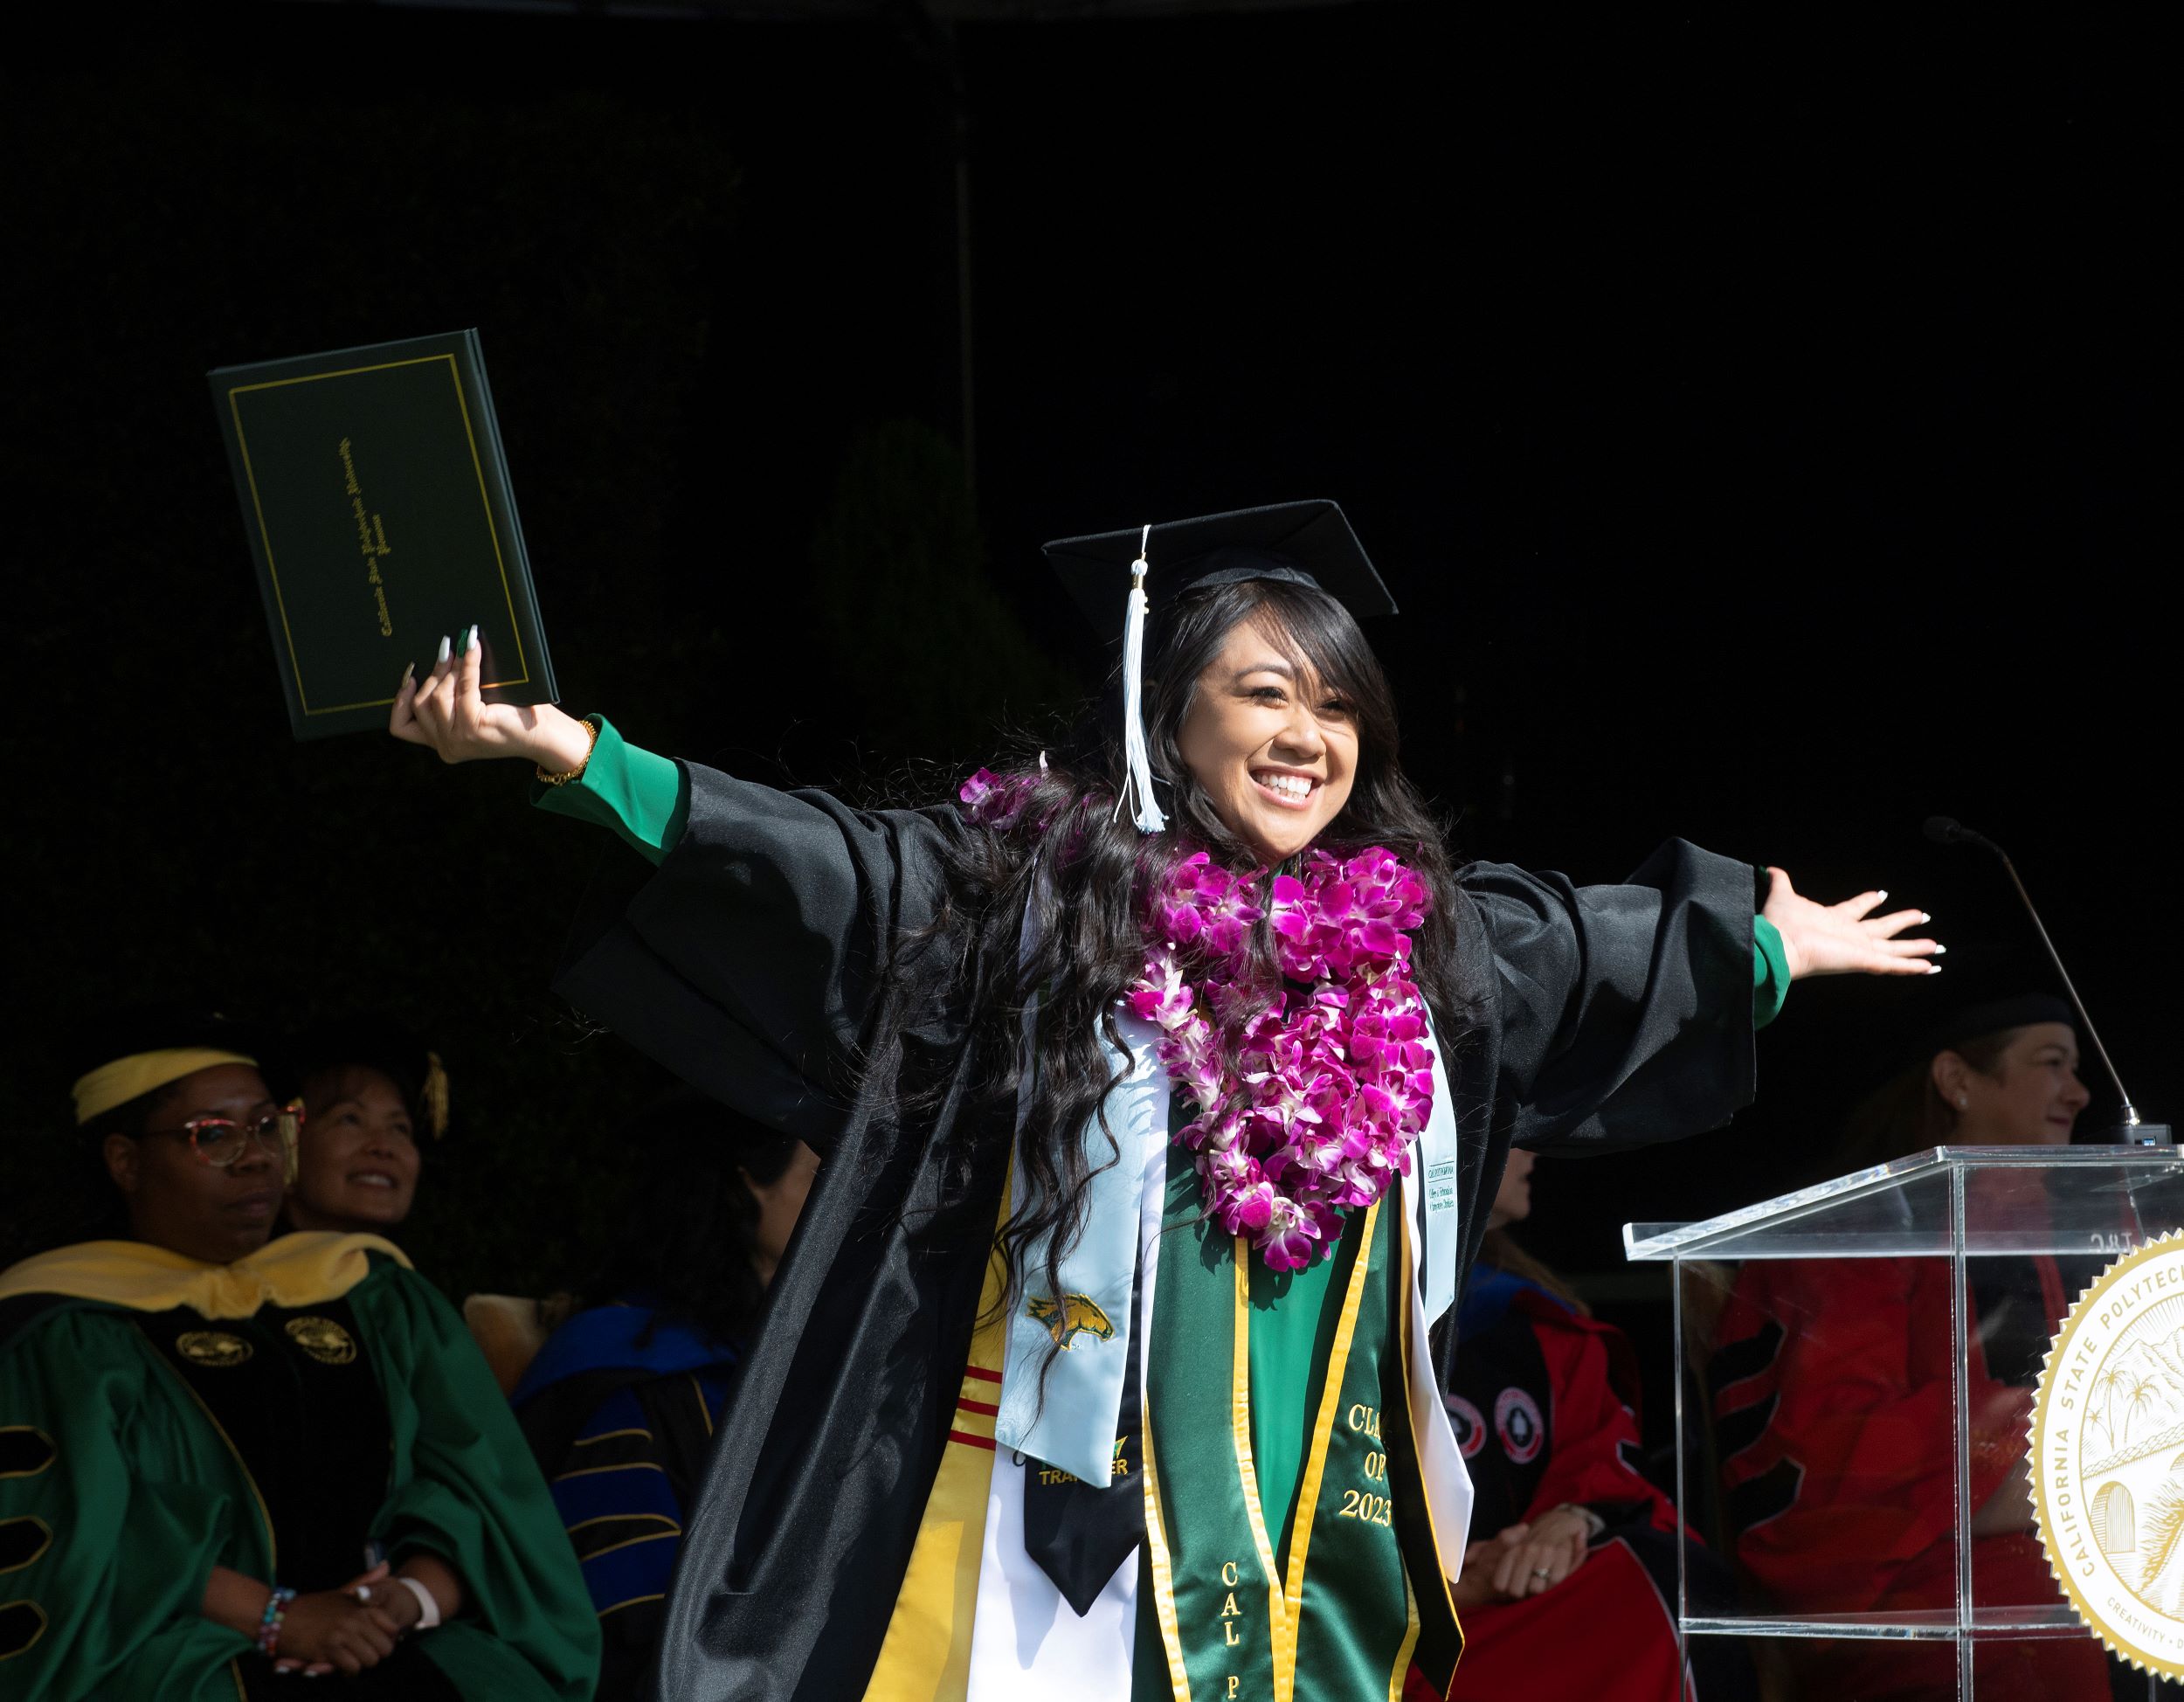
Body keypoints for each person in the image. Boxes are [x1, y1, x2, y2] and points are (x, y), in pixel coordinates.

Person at [389, 500, 1938, 1702]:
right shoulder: (1040, 910)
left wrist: (1762, 949)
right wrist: (581, 756)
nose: (1308, 736)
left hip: (1328, 1555)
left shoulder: (1412, 947)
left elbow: (1589, 955)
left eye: (1338, 707)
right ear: (1167, 714)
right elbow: (822, 865)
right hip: (1061, 1530)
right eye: (1265, 690)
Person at [0, 1014, 598, 1699]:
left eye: (266, 1127)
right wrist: (280, 1619)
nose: (256, 1157)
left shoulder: (374, 1294)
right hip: (185, 1655)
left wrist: (406, 1599)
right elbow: (82, 1537)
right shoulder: (60, 1330)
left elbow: (480, 1486)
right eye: (214, 1136)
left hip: (401, 1637)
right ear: (125, 1162)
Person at [1709, 983, 2109, 1699]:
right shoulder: (1850, 1235)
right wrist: (2069, 1455)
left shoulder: (2075, 1232)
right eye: (2053, 1063)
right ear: (1957, 1080)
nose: (2079, 1094)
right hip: (1922, 1603)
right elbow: (1831, 1466)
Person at [512, 1093, 819, 1701]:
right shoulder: (622, 1371)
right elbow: (631, 1616)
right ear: (751, 1184)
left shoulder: (798, 1364)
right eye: (823, 1176)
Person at [1441, 1149, 1756, 1700]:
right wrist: (1463, 1588)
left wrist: (1569, 1520)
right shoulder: (1354, 1321)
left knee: (1680, 1583)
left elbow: (1603, 1462)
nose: (1535, 1152)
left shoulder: (1543, 1326)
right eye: (1516, 1132)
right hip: (1418, 1629)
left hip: (1535, 1607)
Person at [285, 1021, 445, 1239]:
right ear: (287, 1141)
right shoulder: (238, 1272)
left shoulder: (395, 1272)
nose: (384, 1147)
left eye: (400, 1128)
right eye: (350, 1119)